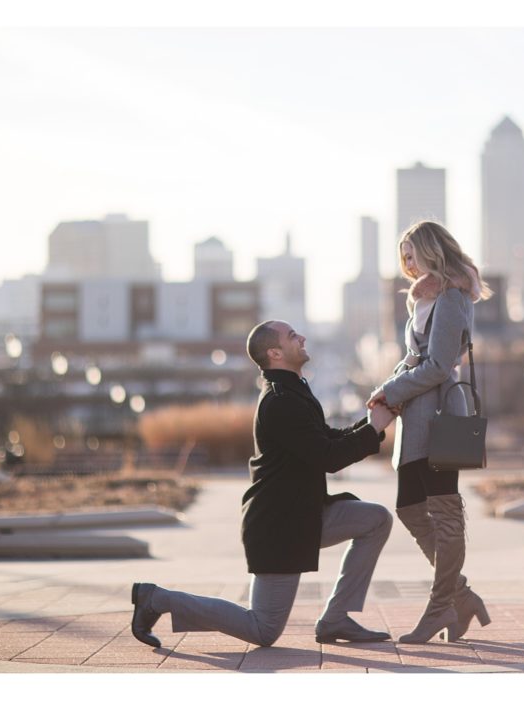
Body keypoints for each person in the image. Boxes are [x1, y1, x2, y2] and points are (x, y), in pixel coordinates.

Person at [131, 320, 397, 648]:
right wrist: (373, 430)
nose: (301, 337)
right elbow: (328, 457)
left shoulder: (294, 391)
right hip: (279, 528)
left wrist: (373, 424)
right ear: (275, 353)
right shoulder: (281, 401)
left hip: (304, 516)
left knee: (376, 519)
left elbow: (327, 438)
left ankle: (335, 619)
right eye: (292, 336)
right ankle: (156, 599)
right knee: (262, 629)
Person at [366, 220, 493, 644]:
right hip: (414, 417)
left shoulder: (453, 297)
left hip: (439, 416)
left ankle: (441, 606)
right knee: (409, 508)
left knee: (443, 511)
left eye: (411, 252)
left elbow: (439, 365)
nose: (406, 262)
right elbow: (412, 356)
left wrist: (392, 389)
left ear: (430, 250)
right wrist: (385, 391)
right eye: (402, 255)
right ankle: (461, 598)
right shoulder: (419, 298)